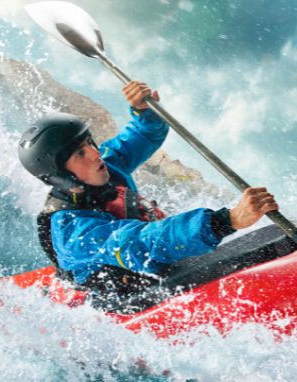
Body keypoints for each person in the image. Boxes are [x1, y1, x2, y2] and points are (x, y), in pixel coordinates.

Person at [17, 81, 279, 302]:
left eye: (90, 143)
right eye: (80, 154)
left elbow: (143, 136)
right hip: (127, 299)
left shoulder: (105, 166)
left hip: (161, 268)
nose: (95, 154)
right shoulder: (74, 233)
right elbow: (140, 244)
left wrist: (145, 112)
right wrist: (225, 221)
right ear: (63, 176)